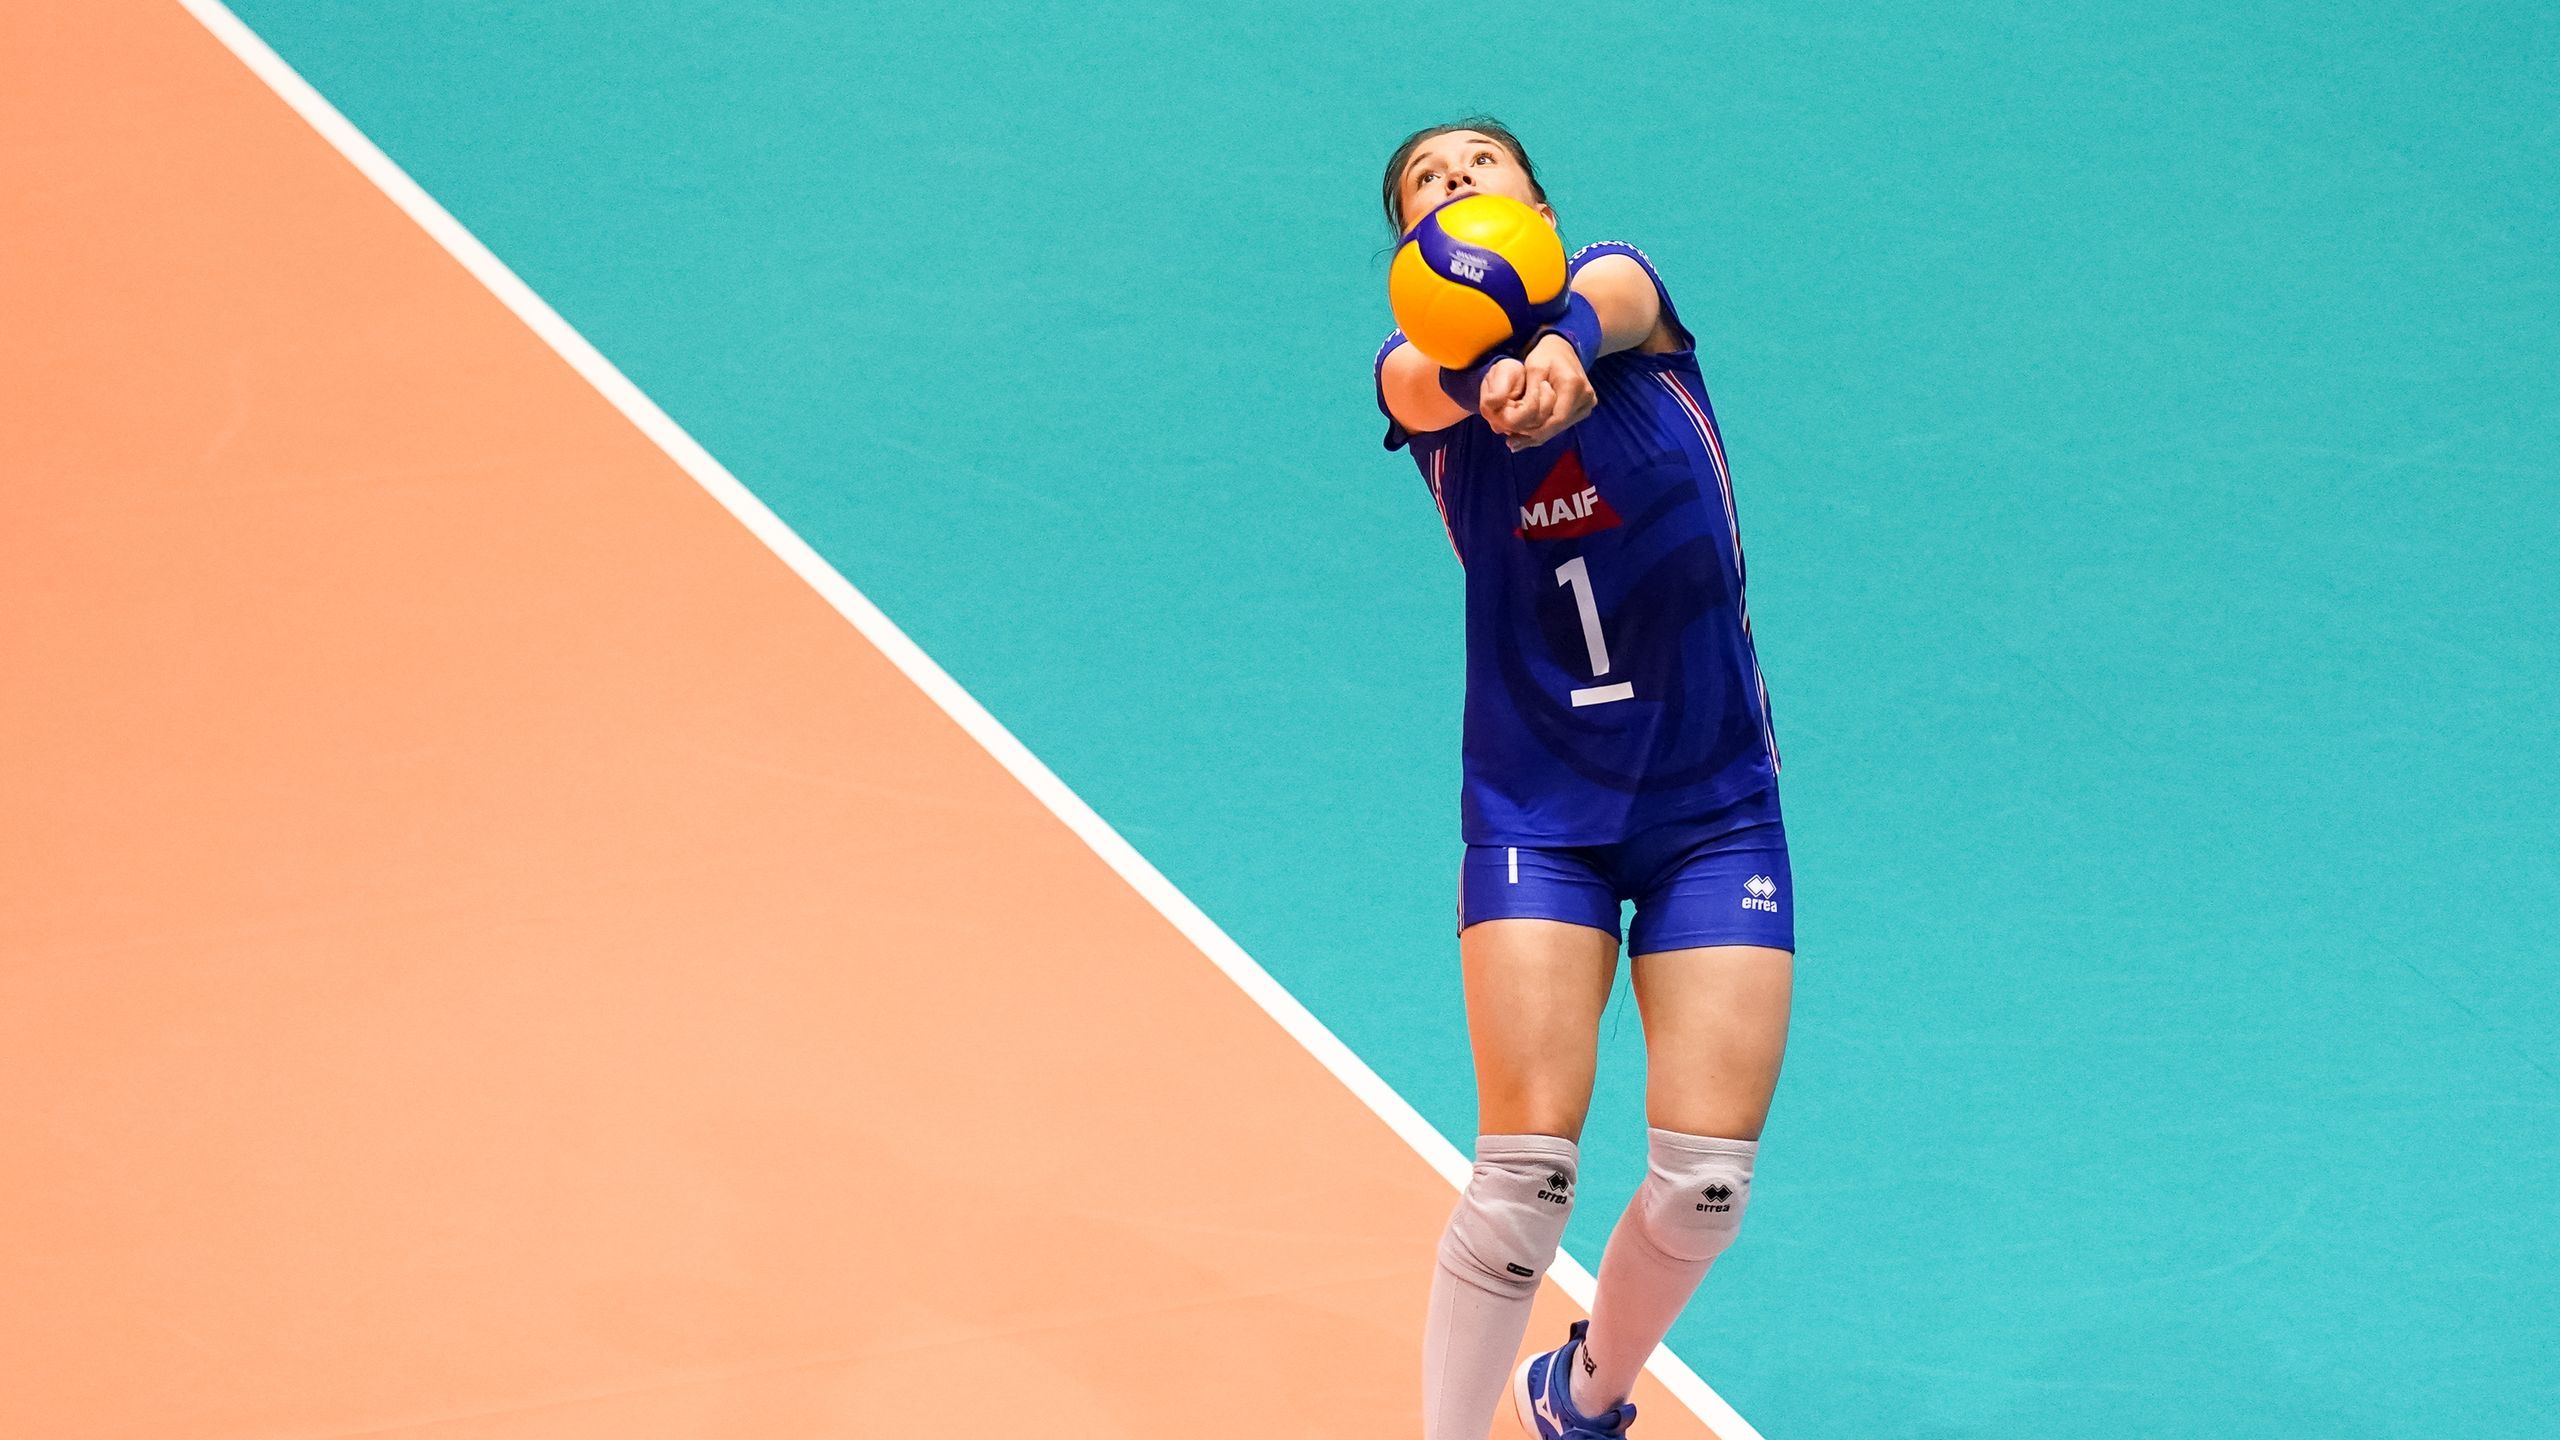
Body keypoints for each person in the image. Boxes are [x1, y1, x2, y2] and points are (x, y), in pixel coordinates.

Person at [1374, 119, 1795, 1440]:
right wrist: (1485, 375)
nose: (1453, 185)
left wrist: (1555, 353)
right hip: (1538, 815)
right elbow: (1419, 387)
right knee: (1523, 1179)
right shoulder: (1416, 383)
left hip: (1712, 811)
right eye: (1423, 187)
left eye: (1477, 165)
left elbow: (1612, 296)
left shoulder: (1627, 305)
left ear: (1538, 201)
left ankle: (1588, 1396)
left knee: (1706, 1185)